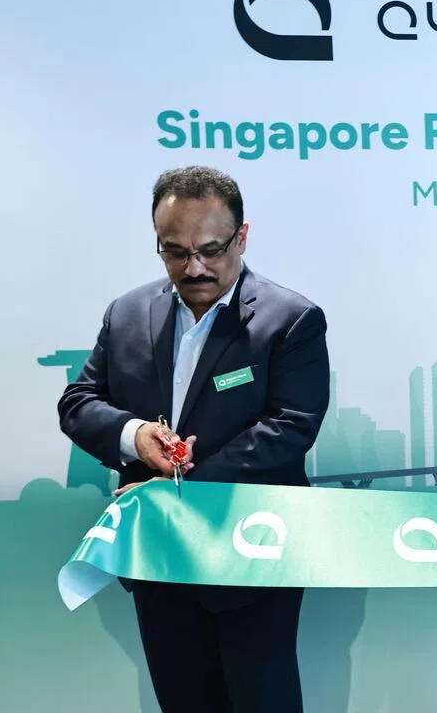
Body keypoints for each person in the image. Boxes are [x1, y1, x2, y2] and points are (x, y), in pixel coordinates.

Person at [57, 165, 330, 712]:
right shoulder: (127, 313)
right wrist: (135, 437)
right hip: (159, 559)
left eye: (210, 249)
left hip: (252, 556)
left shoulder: (291, 320)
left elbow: (292, 425)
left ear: (242, 236)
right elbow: (78, 403)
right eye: (175, 251)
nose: (194, 267)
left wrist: (178, 488)